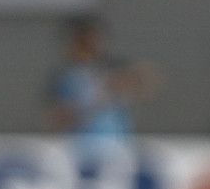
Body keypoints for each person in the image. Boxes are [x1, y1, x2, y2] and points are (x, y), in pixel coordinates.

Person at [45, 15, 159, 163]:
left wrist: (122, 83)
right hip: (80, 153)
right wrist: (91, 103)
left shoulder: (113, 68)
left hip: (117, 149)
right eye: (82, 42)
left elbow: (147, 81)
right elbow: (54, 121)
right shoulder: (64, 77)